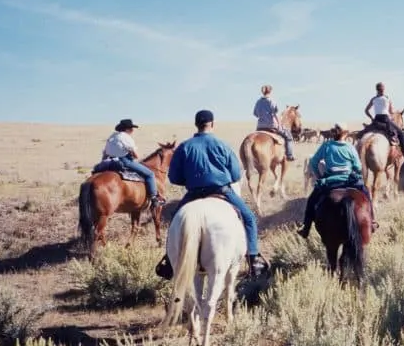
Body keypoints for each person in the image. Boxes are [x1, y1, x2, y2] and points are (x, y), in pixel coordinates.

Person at [160, 109, 263, 270]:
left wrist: (190, 180)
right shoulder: (222, 145)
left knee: (174, 220)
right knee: (249, 217)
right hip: (221, 191)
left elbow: (173, 178)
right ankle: (253, 258)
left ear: (196, 125)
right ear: (212, 124)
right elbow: (236, 175)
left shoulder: (184, 147)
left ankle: (168, 261)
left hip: (193, 193)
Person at [297, 122, 378, 239]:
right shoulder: (350, 147)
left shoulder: (327, 146)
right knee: (367, 194)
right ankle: (372, 222)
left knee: (312, 200)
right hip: (350, 181)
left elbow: (314, 162)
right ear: (346, 134)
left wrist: (320, 176)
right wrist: (354, 172)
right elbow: (358, 166)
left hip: (330, 181)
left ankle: (306, 228)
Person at [101, 118, 165, 209]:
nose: (132, 130)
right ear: (127, 129)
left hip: (109, 162)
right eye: (131, 128)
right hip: (124, 161)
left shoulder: (112, 136)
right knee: (150, 174)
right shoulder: (126, 137)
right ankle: (154, 198)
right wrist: (132, 154)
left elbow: (105, 152)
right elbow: (135, 156)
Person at [363, 82, 404, 161]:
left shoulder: (373, 99)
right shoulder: (387, 98)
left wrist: (371, 117)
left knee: (364, 132)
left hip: (376, 120)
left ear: (376, 89)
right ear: (383, 89)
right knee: (401, 134)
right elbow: (391, 111)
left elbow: (366, 110)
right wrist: (396, 112)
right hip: (385, 120)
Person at [253, 85, 295, 161]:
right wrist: (279, 125)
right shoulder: (272, 101)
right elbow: (275, 114)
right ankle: (289, 155)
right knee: (288, 137)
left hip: (259, 127)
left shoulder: (258, 102)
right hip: (271, 126)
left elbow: (255, 114)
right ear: (270, 91)